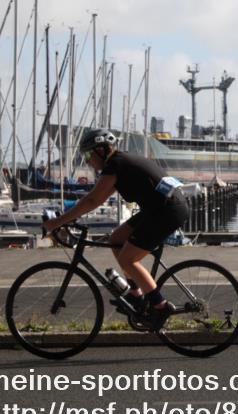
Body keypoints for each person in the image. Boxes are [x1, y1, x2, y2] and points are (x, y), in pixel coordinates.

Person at [41, 129, 189, 330]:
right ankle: (136, 296)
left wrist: (57, 222)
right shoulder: (119, 164)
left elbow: (92, 200)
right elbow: (95, 198)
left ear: (100, 150)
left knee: (129, 259)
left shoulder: (115, 164)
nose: (86, 161)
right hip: (160, 207)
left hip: (167, 211)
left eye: (87, 155)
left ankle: (160, 306)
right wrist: (66, 218)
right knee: (117, 239)